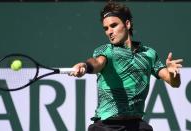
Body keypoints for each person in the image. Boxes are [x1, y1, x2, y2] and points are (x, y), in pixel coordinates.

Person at [70, 1, 183, 131]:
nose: (109, 32)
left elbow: (174, 83)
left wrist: (174, 73)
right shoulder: (106, 51)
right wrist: (85, 66)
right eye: (106, 28)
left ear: (127, 24)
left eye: (113, 25)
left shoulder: (148, 54)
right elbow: (97, 63)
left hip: (136, 125)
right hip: (107, 126)